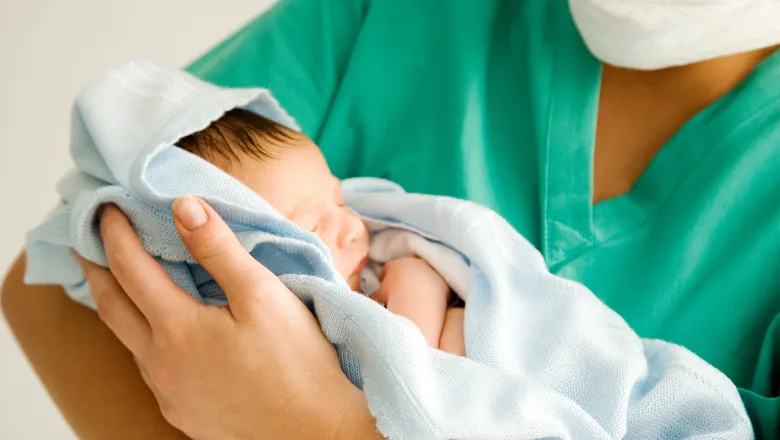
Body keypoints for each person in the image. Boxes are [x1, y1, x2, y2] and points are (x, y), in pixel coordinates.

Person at [2, 0, 779, 438]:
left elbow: (419, 337)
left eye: (342, 206)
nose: (349, 228)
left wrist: (309, 425)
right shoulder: (400, 16)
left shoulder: (403, 260)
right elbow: (55, 289)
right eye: (317, 216)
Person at [175, 107, 466, 354]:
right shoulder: (269, 339)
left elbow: (415, 368)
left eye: (340, 202)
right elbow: (407, 368)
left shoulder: (379, 273)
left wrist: (413, 281)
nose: (353, 227)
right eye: (314, 227)